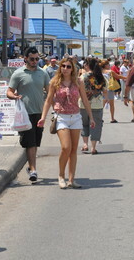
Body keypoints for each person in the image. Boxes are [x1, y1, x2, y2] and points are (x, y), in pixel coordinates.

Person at [38, 58, 94, 189]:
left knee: (73, 150)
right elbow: (48, 100)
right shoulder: (54, 82)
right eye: (63, 66)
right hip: (61, 117)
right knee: (65, 147)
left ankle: (71, 179)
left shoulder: (78, 82)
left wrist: (91, 117)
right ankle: (61, 175)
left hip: (75, 117)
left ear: (72, 68)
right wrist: (43, 117)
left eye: (68, 66)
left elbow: (85, 101)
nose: (65, 68)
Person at [6, 47, 50, 183]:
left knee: (35, 143)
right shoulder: (18, 74)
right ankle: (33, 169)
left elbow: (49, 93)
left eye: (37, 59)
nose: (35, 61)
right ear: (25, 59)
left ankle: (31, 168)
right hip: (25, 114)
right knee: (30, 143)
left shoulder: (43, 73)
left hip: (39, 113)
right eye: (32, 59)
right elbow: (9, 91)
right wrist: (14, 96)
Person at [79, 58, 107, 155]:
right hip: (97, 105)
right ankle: (93, 148)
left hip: (83, 105)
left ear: (87, 65)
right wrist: (104, 101)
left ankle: (85, 144)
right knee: (96, 125)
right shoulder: (100, 77)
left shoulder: (82, 77)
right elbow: (105, 91)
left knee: (84, 124)